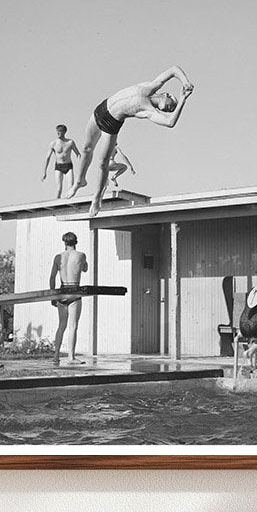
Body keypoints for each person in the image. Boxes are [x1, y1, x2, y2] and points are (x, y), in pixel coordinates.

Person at [68, 66, 194, 215]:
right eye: (171, 104)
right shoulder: (150, 86)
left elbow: (170, 123)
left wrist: (182, 100)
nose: (169, 109)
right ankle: (80, 181)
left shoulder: (148, 111)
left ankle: (96, 199)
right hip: (102, 108)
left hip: (111, 123)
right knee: (86, 148)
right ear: (166, 94)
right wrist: (185, 82)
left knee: (103, 163)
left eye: (169, 110)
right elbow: (173, 70)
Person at [49, 231, 89, 366]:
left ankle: (56, 356)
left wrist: (53, 296)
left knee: (61, 326)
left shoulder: (58, 257)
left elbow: (52, 277)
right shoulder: (81, 255)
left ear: (64, 243)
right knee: (73, 326)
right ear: (76, 242)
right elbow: (85, 269)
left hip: (62, 291)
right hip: (74, 291)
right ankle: (71, 357)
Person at [41, 125, 81, 199]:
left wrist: (81, 167)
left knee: (70, 188)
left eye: (59, 131)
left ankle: (69, 203)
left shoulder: (70, 142)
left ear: (64, 132)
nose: (58, 133)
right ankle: (57, 203)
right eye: (57, 132)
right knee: (59, 189)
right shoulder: (53, 144)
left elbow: (78, 155)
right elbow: (47, 158)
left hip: (68, 166)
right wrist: (44, 172)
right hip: (59, 167)